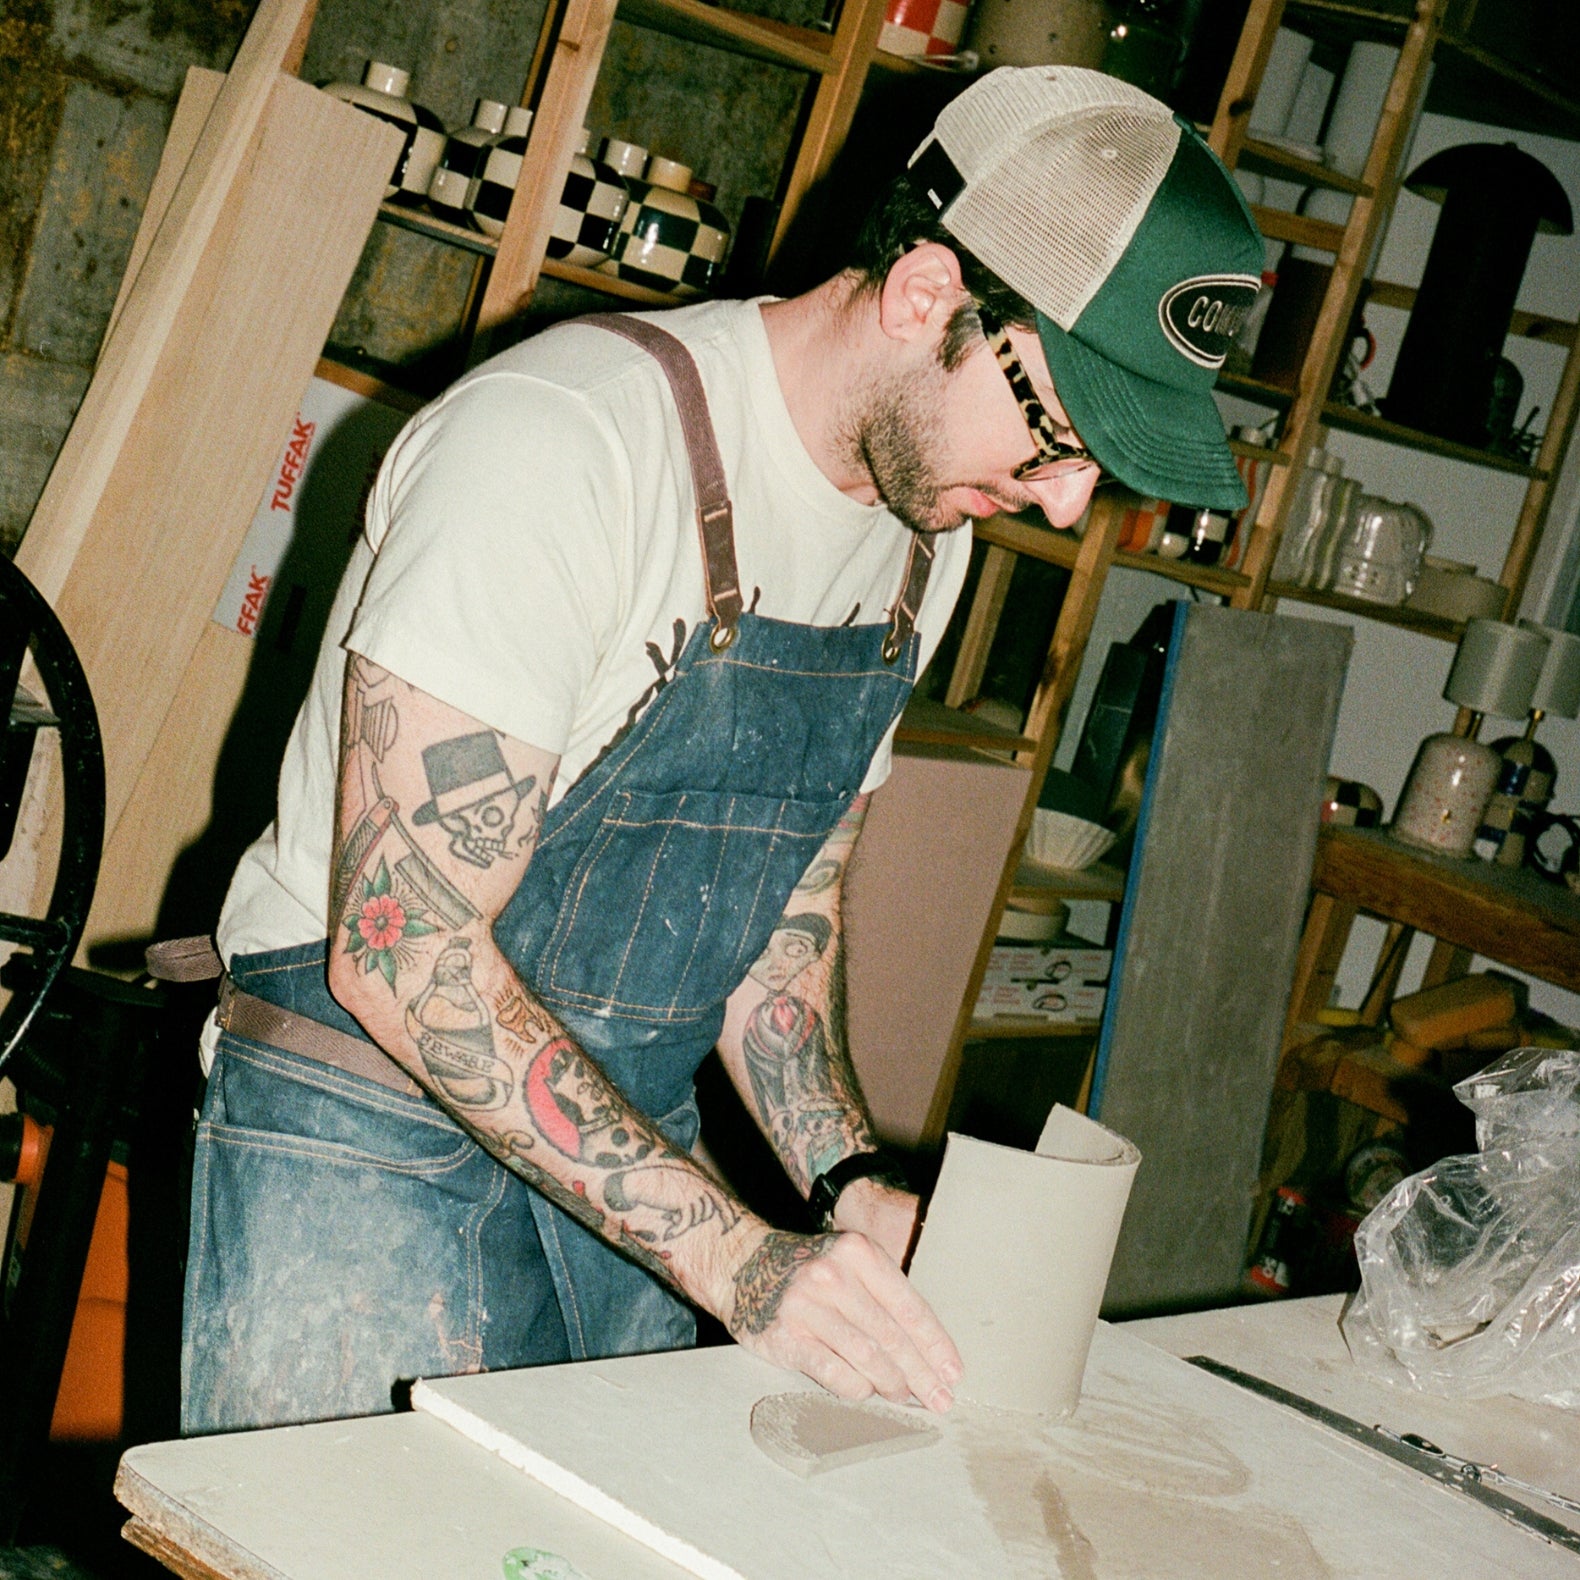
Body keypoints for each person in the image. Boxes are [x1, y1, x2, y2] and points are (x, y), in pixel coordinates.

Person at [182, 65, 1261, 1435]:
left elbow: (776, 946)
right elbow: (404, 954)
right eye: (1062, 430)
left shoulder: (922, 539)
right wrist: (742, 1261)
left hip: (624, 1150)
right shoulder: (562, 447)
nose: (1062, 495)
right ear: (929, 293)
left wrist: (844, 1183)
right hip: (364, 1124)